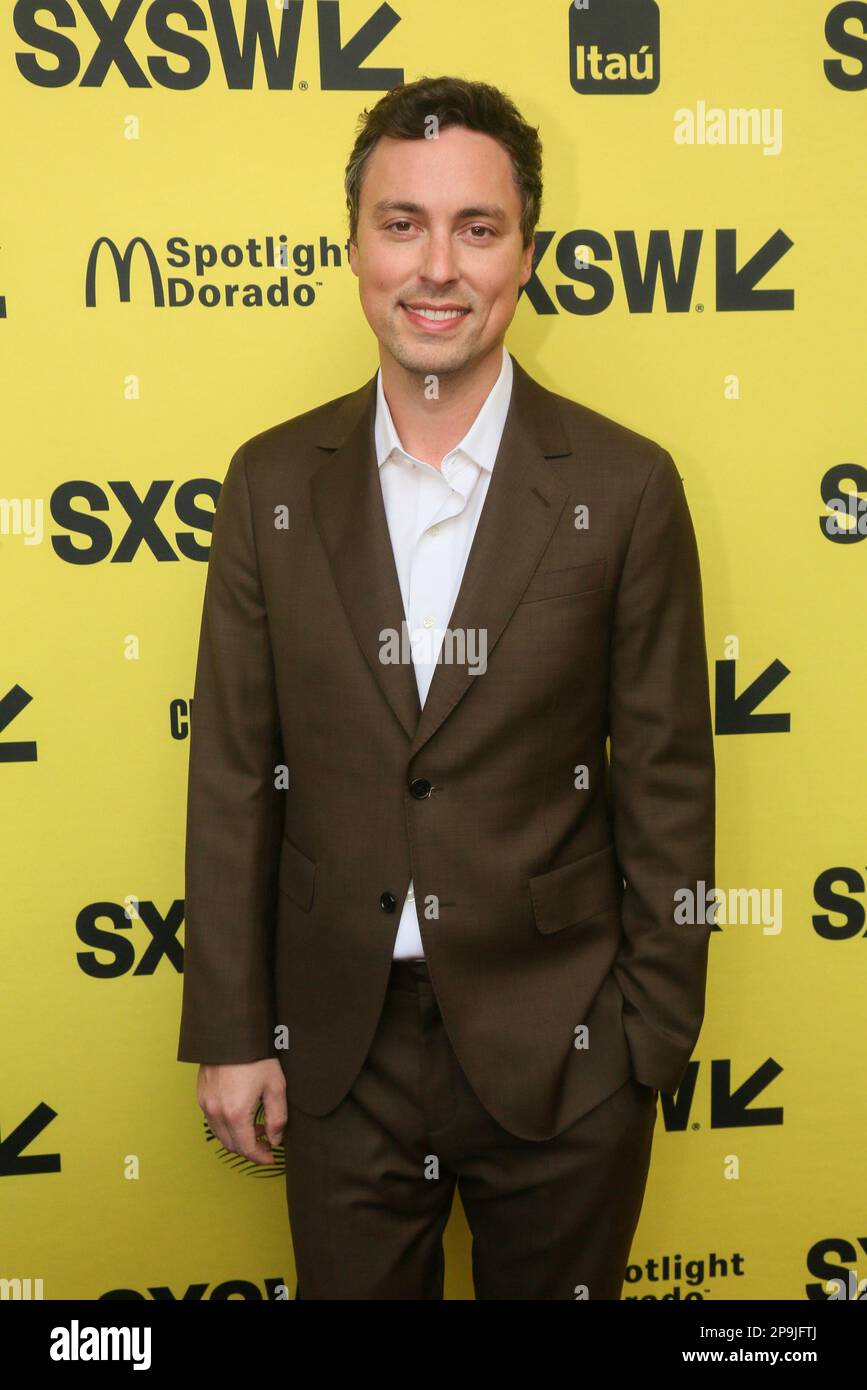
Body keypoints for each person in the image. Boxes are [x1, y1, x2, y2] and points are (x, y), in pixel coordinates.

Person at [177, 74, 715, 1300]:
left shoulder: (626, 490)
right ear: (354, 246)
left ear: (528, 254)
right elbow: (231, 775)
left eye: (478, 228)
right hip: (336, 1052)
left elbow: (671, 778)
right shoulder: (269, 482)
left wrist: (648, 1039)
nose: (438, 265)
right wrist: (229, 1030)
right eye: (401, 222)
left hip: (568, 1055)